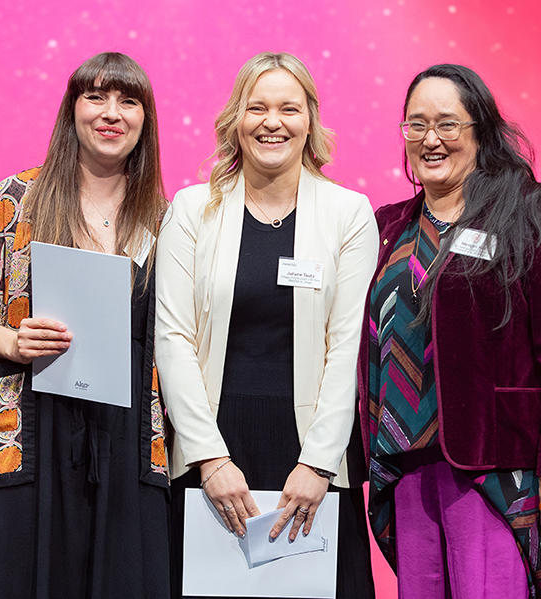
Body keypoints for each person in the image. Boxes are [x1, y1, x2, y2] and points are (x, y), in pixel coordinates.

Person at [0, 52, 170, 599]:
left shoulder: (165, 217)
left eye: (128, 101)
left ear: (145, 119)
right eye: (96, 97)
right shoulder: (12, 202)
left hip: (129, 439)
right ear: (72, 110)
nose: (112, 113)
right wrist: (12, 342)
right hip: (28, 433)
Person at [357, 64, 541, 599]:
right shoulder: (386, 224)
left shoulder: (528, 212)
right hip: (405, 465)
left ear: (480, 130)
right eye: (415, 125)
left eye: (447, 123)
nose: (430, 139)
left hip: (494, 468)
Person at [155, 52, 378, 599]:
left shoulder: (349, 214)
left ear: (310, 120)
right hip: (214, 447)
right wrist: (209, 458)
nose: (272, 122)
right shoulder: (190, 210)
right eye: (257, 107)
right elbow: (173, 338)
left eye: (288, 108)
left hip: (313, 451)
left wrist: (319, 465)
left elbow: (346, 347)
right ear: (236, 119)